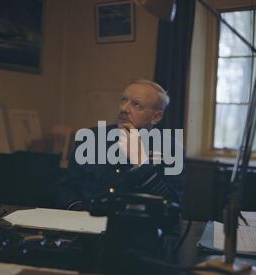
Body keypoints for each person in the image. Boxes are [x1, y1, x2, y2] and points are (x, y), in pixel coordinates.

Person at [55, 79, 185, 213]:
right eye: (124, 100)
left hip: (137, 228)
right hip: (87, 224)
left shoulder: (170, 149)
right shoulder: (91, 138)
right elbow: (66, 189)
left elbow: (171, 204)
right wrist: (80, 212)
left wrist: (141, 163)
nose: (124, 109)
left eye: (137, 105)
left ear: (156, 117)